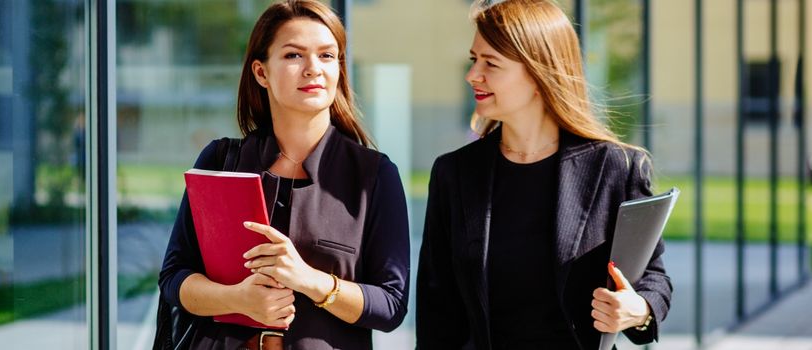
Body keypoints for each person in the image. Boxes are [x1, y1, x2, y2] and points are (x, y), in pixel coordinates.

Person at [415, 0, 672, 349]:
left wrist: (638, 309)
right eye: (475, 59)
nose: (473, 74)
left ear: (539, 73)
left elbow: (653, 277)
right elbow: (437, 309)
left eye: (491, 63)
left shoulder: (615, 167)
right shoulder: (454, 173)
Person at [157, 0, 410, 349]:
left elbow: (391, 305)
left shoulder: (374, 176)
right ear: (261, 72)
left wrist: (311, 281)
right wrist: (237, 298)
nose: (313, 69)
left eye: (327, 55)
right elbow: (174, 277)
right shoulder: (220, 160)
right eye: (294, 55)